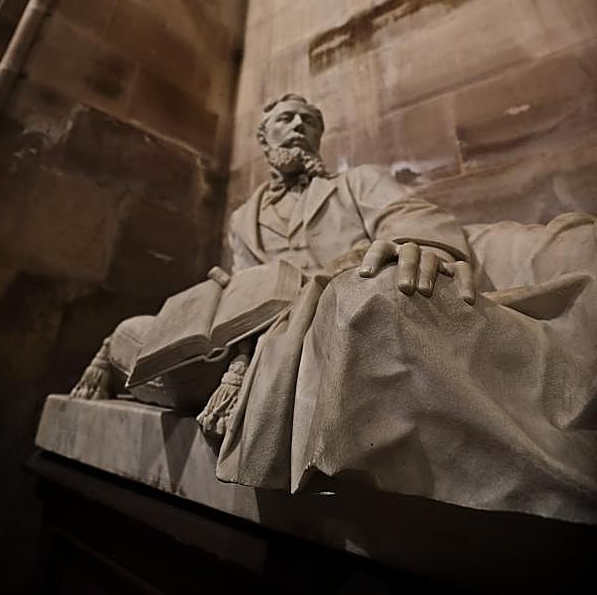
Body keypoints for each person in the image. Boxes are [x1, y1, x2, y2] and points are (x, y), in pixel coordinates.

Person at [72, 94, 597, 522]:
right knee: (136, 333)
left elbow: (410, 214)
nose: (298, 126)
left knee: (569, 246)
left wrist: (424, 244)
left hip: (355, 281)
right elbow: (244, 286)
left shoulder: (355, 183)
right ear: (264, 138)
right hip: (278, 323)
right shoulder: (242, 219)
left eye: (308, 120)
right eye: (285, 119)